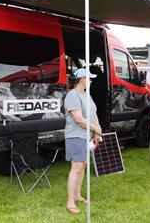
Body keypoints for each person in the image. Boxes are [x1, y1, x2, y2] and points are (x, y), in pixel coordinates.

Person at [64, 68, 101, 214]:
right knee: (77, 166)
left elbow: (94, 114)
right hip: (76, 135)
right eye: (89, 78)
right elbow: (79, 119)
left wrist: (97, 129)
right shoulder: (72, 95)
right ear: (82, 79)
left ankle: (78, 195)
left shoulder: (87, 95)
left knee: (83, 165)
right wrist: (96, 129)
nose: (91, 81)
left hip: (87, 135)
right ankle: (70, 201)